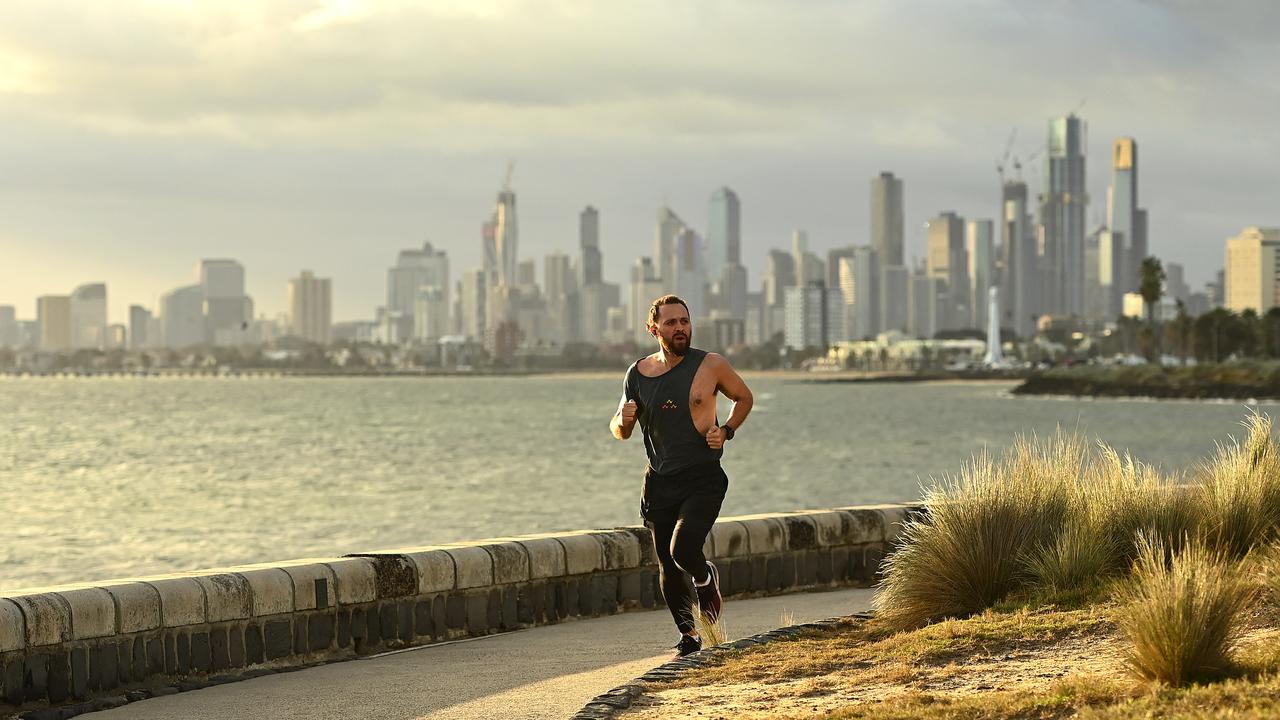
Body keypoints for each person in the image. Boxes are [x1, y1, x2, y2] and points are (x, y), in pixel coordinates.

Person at [609, 294, 754, 658]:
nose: (680, 329)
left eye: (685, 322)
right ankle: (689, 635)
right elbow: (619, 429)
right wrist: (623, 421)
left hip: (703, 476)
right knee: (666, 563)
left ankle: (706, 580)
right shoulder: (637, 374)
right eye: (671, 323)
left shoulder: (711, 365)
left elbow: (744, 397)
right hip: (659, 481)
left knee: (683, 549)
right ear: (653, 329)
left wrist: (727, 431)